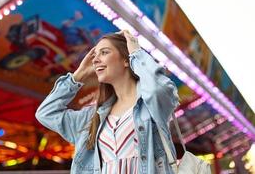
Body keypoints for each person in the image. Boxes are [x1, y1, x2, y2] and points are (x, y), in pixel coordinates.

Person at [35, 30, 180, 174]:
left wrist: (136, 52)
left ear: (126, 60)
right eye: (95, 55)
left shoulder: (150, 104)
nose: (95, 59)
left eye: (104, 52)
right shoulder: (91, 118)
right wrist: (79, 74)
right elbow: (46, 113)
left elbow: (157, 88)